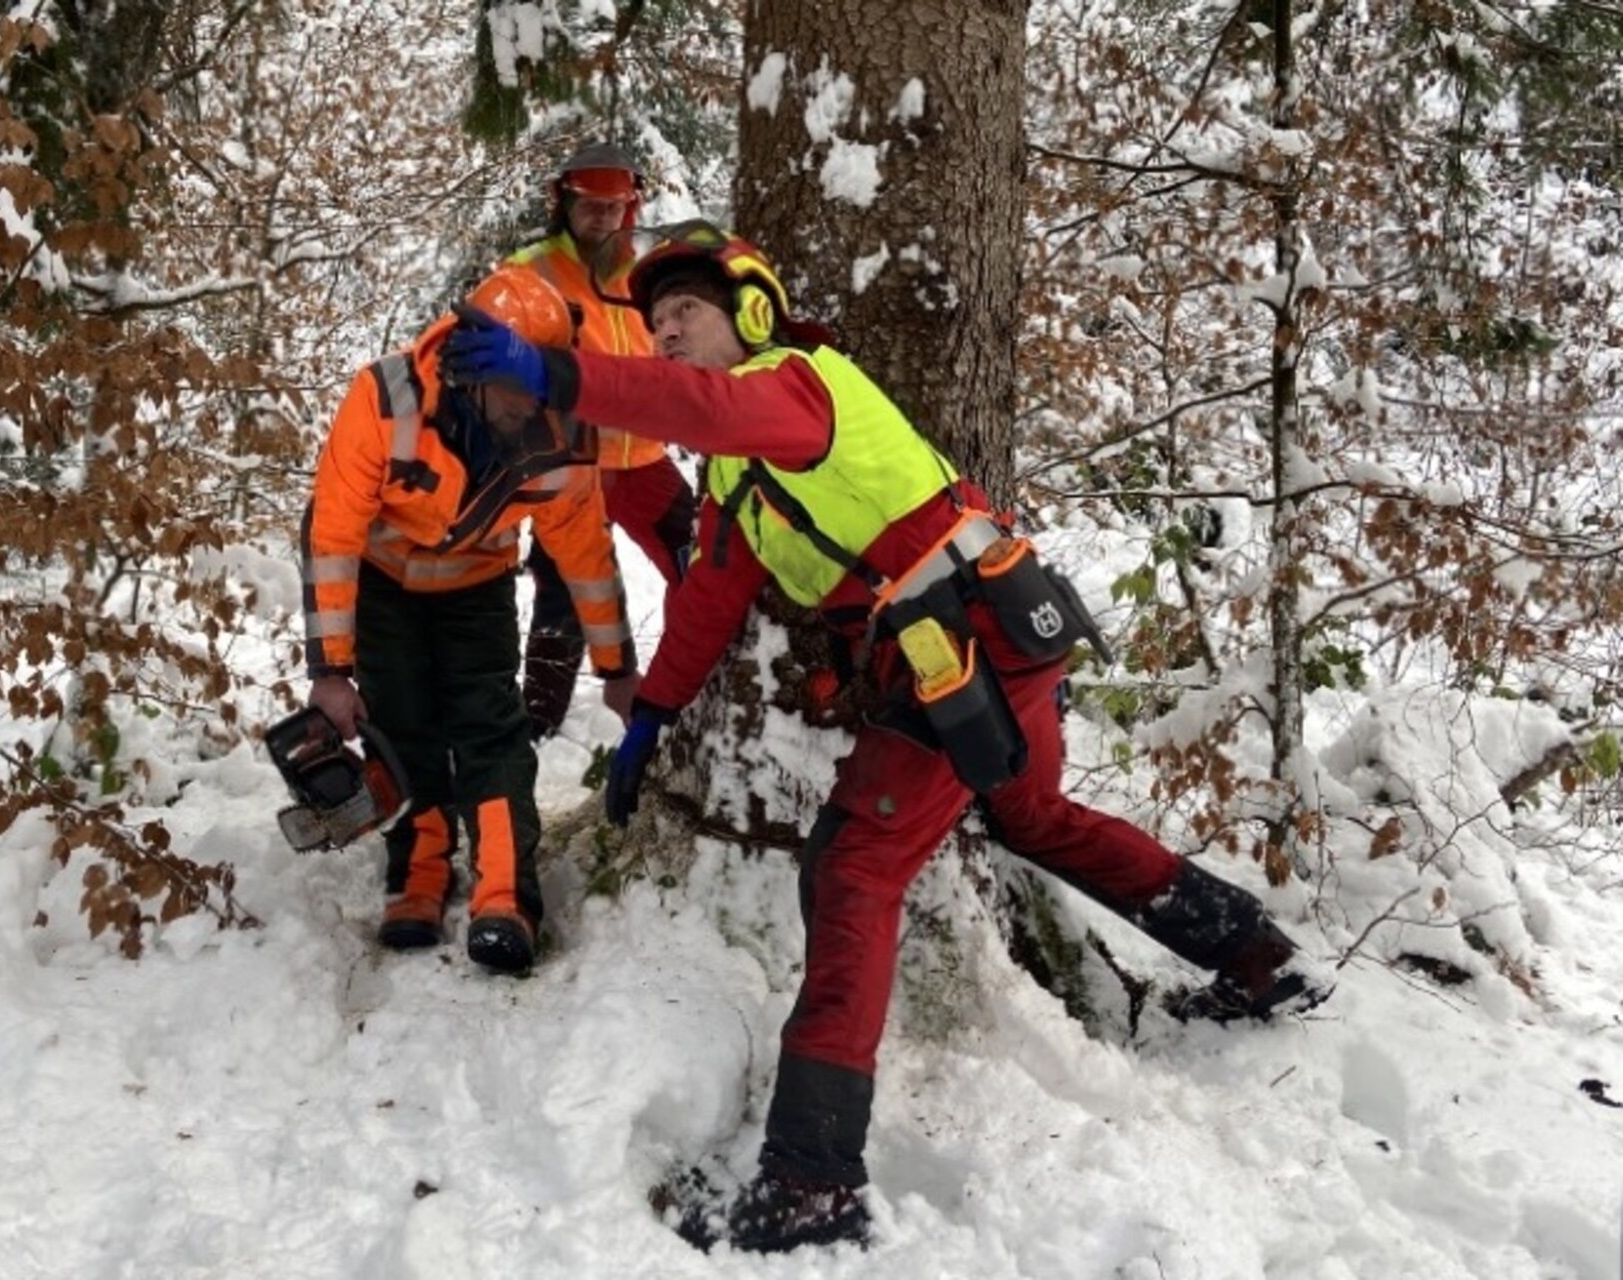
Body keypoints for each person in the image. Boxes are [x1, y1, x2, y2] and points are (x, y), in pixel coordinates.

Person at [443, 223, 1334, 1249]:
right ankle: (1257, 951)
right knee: (1033, 814)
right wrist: (650, 715)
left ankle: (811, 1179)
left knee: (854, 869)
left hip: (963, 650)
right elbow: (711, 593)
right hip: (986, 641)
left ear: (752, 313)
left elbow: (695, 404)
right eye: (653, 323)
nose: (667, 333)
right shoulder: (738, 472)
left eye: (686, 311)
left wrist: (551, 370)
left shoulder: (797, 384)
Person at [300, 266, 639, 974]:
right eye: (518, 385)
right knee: (401, 725)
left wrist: (616, 667)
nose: (530, 404)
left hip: (477, 586)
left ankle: (505, 896)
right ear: (470, 370)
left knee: (489, 727)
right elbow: (333, 533)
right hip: (384, 586)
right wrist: (331, 671)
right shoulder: (385, 399)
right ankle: (418, 877)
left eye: (542, 381)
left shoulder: (562, 437)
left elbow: (586, 555)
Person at [504, 142, 696, 739]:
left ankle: (691, 687)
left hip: (643, 458)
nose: (603, 217)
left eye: (615, 207)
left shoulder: (646, 270)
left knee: (698, 565)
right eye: (591, 206)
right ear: (563, 202)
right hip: (571, 463)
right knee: (562, 595)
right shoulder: (529, 270)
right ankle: (538, 723)